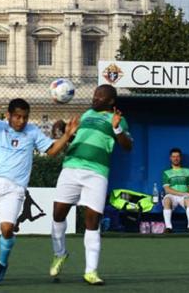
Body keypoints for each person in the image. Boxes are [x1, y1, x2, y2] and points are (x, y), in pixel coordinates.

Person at [0, 90, 78, 285]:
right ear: (9, 115)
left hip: (14, 188)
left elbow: (51, 151)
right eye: (17, 116)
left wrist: (67, 135)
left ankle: (2, 264)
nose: (21, 121)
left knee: (7, 229)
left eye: (25, 117)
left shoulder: (33, 131)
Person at [49, 84, 132, 286]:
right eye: (95, 95)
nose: (95, 99)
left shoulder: (117, 119)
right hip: (71, 168)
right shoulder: (86, 114)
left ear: (111, 101)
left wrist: (117, 127)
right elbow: (76, 139)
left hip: (97, 173)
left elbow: (127, 146)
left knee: (92, 220)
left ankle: (91, 271)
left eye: (100, 97)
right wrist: (65, 132)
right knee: (58, 214)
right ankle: (60, 254)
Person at [161, 148, 189, 233]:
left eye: (177, 156)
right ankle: (168, 228)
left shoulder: (188, 171)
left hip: (184, 196)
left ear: (180, 158)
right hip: (172, 195)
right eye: (173, 157)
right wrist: (182, 193)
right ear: (170, 158)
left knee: (188, 200)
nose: (175, 158)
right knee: (166, 200)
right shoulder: (166, 172)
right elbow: (167, 190)